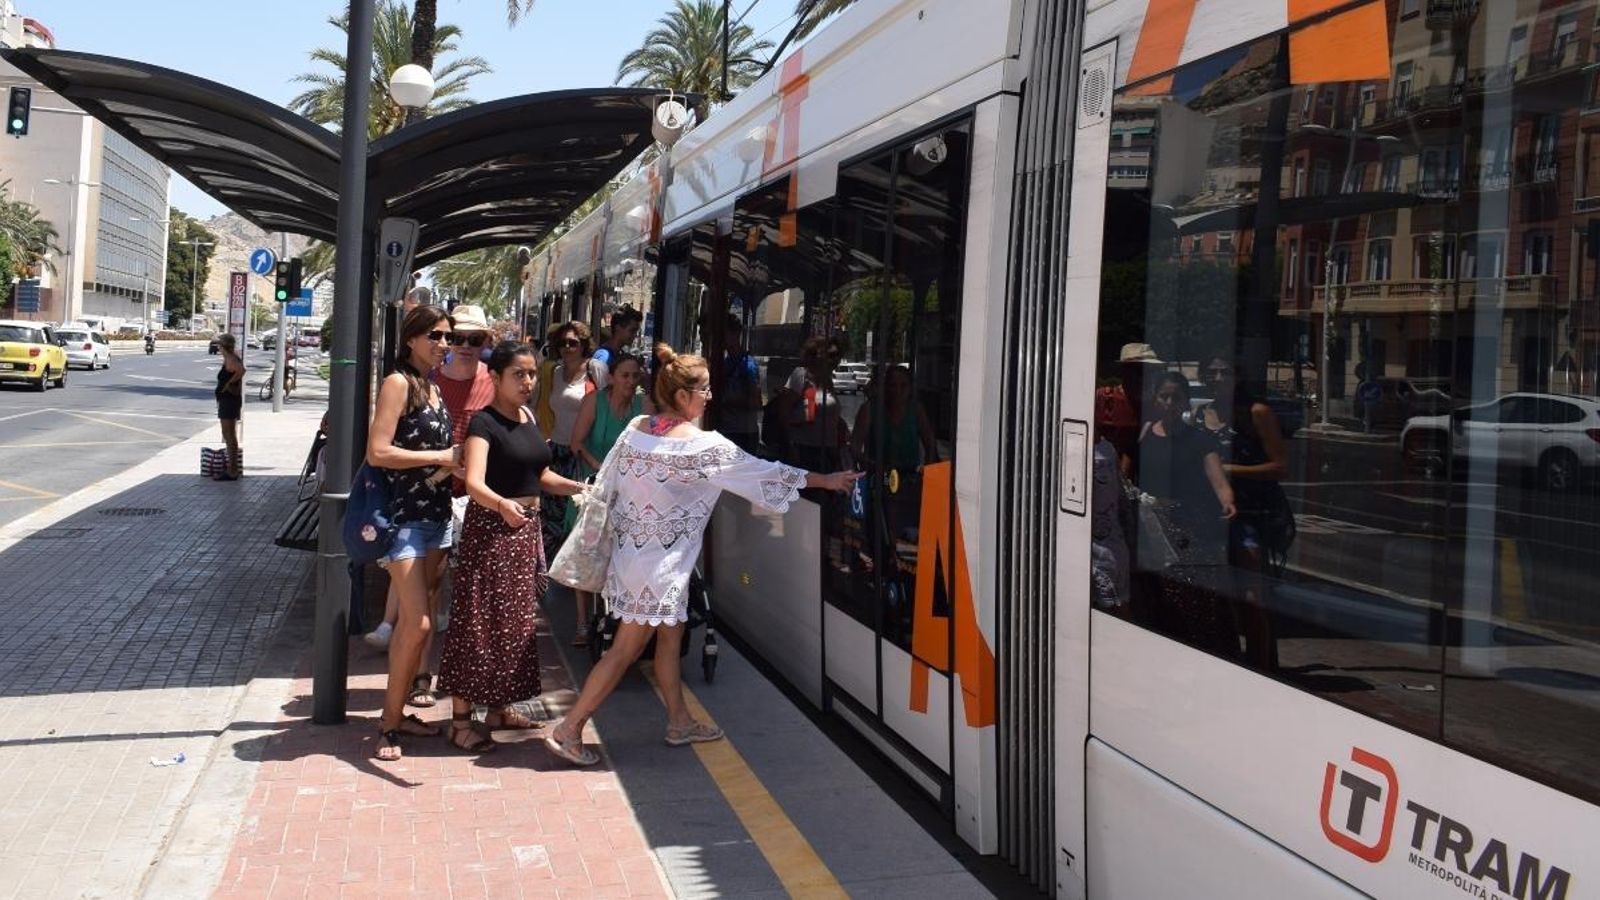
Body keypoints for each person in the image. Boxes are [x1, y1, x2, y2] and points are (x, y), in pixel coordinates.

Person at [543, 347, 861, 766]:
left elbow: (607, 483)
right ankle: (570, 728)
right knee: (623, 651)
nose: (710, 397)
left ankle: (679, 721)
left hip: (636, 560)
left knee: (671, 638)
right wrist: (827, 479)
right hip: (659, 569)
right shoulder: (704, 447)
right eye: (704, 390)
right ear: (681, 397)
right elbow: (763, 473)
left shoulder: (637, 428)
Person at [438, 341, 586, 752]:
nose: (527, 382)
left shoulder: (525, 416)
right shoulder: (483, 424)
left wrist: (580, 488)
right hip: (491, 532)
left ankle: (500, 709)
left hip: (524, 533)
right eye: (518, 374)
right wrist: (502, 505)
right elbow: (474, 483)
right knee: (478, 624)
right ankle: (461, 721)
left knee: (515, 627)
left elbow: (540, 473)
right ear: (497, 377)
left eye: (532, 374)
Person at [366, 306, 460, 761]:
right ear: (411, 339)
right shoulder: (398, 383)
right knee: (418, 622)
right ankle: (387, 725)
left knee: (415, 626)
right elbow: (379, 450)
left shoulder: (434, 389)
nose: (445, 344)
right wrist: (445, 457)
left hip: (436, 519)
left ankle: (397, 713)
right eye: (436, 336)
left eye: (448, 337)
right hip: (403, 519)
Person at [1198, 355, 1293, 669]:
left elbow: (1280, 466)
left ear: (1237, 376)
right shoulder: (1201, 413)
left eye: (1225, 371)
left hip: (1251, 513)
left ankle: (1260, 667)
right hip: (1209, 513)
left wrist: (1229, 469)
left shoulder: (1257, 412)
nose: (1218, 378)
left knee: (1251, 597)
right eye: (1212, 372)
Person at [1134, 372, 1238, 658]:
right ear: (1156, 399)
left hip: (1187, 530)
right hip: (1151, 527)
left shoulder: (1200, 440)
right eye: (1164, 396)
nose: (1169, 403)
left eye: (1176, 397)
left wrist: (1227, 501)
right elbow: (1128, 475)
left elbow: (1217, 479)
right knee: (1157, 594)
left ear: (1185, 403)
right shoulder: (1144, 433)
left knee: (1192, 599)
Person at [568, 351, 655, 645]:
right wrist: (602, 469)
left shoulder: (644, 405)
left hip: (633, 486)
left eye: (635, 376)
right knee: (587, 552)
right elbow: (576, 443)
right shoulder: (594, 401)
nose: (631, 381)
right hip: (597, 481)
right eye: (625, 376)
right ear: (612, 378)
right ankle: (580, 622)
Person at [535, 321, 601, 552]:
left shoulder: (595, 370)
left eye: (573, 342)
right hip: (555, 450)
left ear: (583, 344)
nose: (567, 347)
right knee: (549, 511)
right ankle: (549, 567)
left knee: (576, 511)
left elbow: (605, 404)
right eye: (562, 343)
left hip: (581, 453)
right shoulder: (554, 372)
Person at [773, 335, 850, 471]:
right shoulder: (801, 376)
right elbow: (783, 413)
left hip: (827, 452)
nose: (834, 360)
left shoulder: (828, 382)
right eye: (830, 355)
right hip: (803, 450)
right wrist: (790, 447)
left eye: (837, 355)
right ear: (816, 355)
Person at [718, 315, 762, 453]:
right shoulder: (724, 363)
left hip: (743, 433)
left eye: (724, 333)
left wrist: (726, 402)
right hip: (726, 429)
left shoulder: (748, 365)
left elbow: (756, 402)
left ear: (735, 334)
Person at [213, 334, 245, 481]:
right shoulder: (229, 357)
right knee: (228, 434)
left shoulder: (231, 358)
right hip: (227, 400)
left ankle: (232, 470)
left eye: (219, 344)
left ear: (224, 346)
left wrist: (228, 384)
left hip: (229, 401)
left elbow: (241, 370)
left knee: (229, 435)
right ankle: (232, 468)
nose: (218, 347)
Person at [590, 305, 643, 385]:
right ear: (618, 328)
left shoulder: (619, 354)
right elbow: (602, 392)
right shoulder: (603, 357)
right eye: (632, 330)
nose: (635, 335)